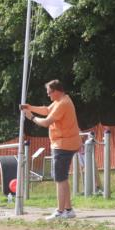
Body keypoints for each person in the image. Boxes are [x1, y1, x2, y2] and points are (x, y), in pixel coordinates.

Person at [21, 79, 82, 220]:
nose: (48, 95)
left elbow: (47, 121)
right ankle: (68, 210)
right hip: (66, 143)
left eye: (49, 93)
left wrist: (31, 117)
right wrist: (30, 107)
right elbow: (47, 110)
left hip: (63, 145)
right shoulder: (61, 101)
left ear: (56, 91)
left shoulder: (63, 104)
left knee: (59, 179)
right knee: (63, 178)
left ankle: (60, 212)